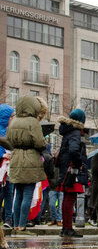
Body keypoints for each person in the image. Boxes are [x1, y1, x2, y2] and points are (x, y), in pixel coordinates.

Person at [6, 96, 47, 236]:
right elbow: (40, 143)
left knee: (18, 195)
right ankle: (22, 227)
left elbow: (8, 140)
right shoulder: (33, 122)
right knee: (27, 195)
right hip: (30, 159)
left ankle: (15, 225)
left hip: (16, 158)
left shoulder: (14, 121)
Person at [56, 109, 88, 238]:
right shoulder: (75, 132)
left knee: (67, 198)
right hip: (72, 170)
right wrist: (79, 163)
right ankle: (68, 228)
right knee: (70, 198)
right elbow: (74, 150)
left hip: (66, 168)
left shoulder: (68, 132)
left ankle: (66, 227)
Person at [0, 103, 14, 228]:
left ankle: (8, 218)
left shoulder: (11, 131)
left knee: (9, 192)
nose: (12, 120)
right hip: (1, 167)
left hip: (10, 167)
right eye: (11, 117)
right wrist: (2, 155)